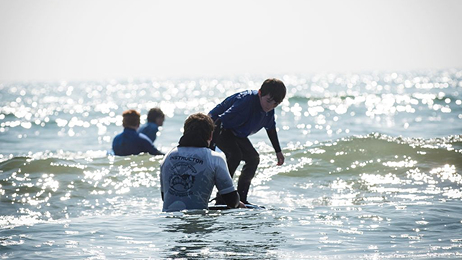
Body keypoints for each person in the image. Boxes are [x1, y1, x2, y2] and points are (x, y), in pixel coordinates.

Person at [208, 78, 286, 204]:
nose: (270, 106)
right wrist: (209, 149)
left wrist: (278, 151)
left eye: (275, 104)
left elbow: (271, 129)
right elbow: (219, 121)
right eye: (269, 101)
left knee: (253, 158)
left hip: (235, 132)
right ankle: (222, 198)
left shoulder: (269, 109)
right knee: (235, 156)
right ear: (260, 93)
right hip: (217, 127)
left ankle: (242, 198)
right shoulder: (246, 101)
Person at [160, 113, 245, 212]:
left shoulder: (168, 156)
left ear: (185, 132)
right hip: (198, 223)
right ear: (210, 135)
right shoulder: (215, 158)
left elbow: (165, 197)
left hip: (169, 223)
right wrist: (239, 204)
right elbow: (231, 200)